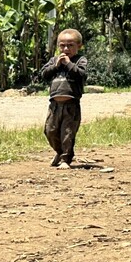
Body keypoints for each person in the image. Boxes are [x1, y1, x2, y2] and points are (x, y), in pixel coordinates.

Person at [40, 28, 88, 170]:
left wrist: (68, 64)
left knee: (67, 133)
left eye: (70, 45)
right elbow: (44, 75)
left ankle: (65, 159)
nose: (66, 49)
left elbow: (81, 75)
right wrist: (56, 65)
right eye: (62, 45)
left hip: (71, 104)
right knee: (50, 131)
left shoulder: (80, 60)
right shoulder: (54, 61)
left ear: (79, 46)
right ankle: (59, 152)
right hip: (54, 105)